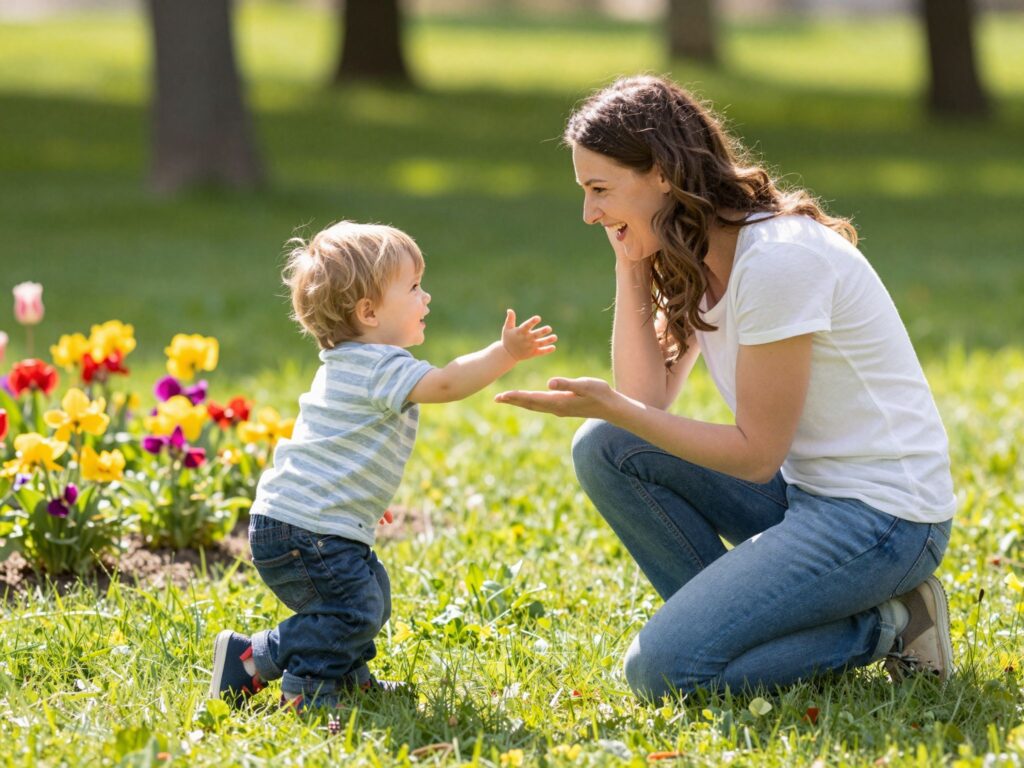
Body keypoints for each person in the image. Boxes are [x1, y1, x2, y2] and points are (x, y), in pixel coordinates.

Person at [495, 75, 956, 701]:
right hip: (805, 495)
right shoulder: (698, 254)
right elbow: (644, 402)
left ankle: (887, 624)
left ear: (660, 172)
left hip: (883, 520)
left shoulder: (775, 259)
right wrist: (630, 267)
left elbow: (755, 453)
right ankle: (741, 630)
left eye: (600, 190)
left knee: (658, 674)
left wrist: (612, 404)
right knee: (604, 443)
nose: (589, 213)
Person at [210, 221, 556, 710]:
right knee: (351, 608)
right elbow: (446, 385)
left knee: (370, 594)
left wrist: (362, 498)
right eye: (414, 288)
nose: (427, 298)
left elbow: (339, 447)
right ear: (368, 312)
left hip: (305, 522)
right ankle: (266, 667)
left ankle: (343, 675)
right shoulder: (377, 365)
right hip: (306, 530)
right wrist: (506, 352)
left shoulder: (350, 363)